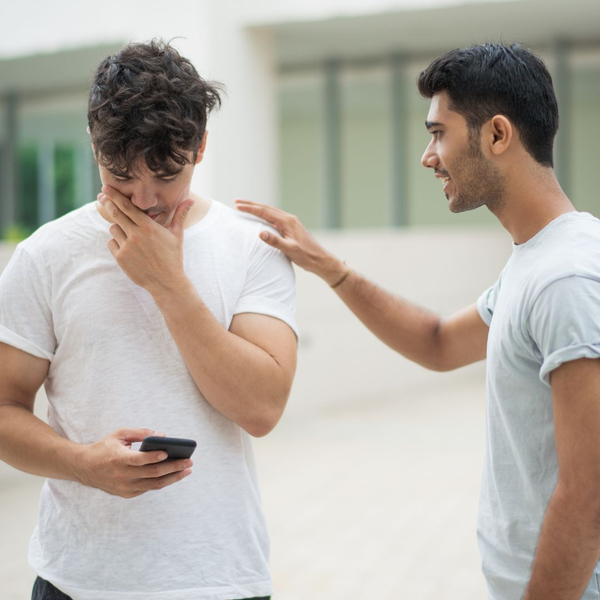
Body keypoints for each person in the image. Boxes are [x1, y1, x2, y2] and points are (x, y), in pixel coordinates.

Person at [236, 43, 600, 600]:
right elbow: (437, 343)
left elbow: (587, 491)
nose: (428, 157)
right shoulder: (538, 261)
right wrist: (331, 269)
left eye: (438, 133)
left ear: (497, 135)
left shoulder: (564, 280)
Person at [0, 40, 298, 600]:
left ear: (201, 146)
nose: (144, 199)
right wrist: (82, 464)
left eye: (166, 175)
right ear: (93, 144)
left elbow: (262, 408)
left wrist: (167, 283)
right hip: (78, 582)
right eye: (120, 176)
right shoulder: (46, 255)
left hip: (219, 579)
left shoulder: (252, 248)